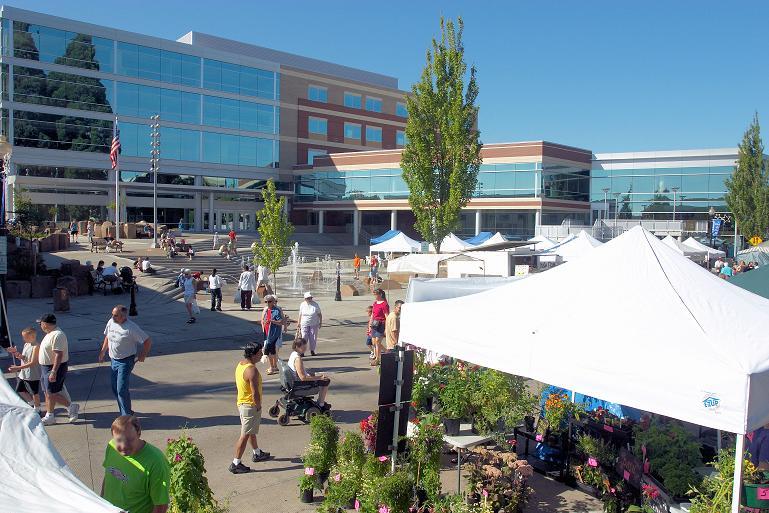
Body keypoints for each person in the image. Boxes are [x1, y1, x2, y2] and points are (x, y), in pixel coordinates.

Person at [102, 415, 170, 513]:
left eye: (129, 440)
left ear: (139, 433)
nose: (123, 446)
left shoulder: (156, 462)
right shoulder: (111, 447)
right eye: (118, 440)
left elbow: (161, 505)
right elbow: (108, 477)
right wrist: (100, 501)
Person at [99, 305, 152, 417]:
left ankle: (126, 416)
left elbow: (147, 341)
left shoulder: (131, 328)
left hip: (126, 361)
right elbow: (107, 337)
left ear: (123, 316)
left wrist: (143, 354)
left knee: (121, 389)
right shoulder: (111, 322)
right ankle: (126, 410)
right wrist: (102, 352)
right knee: (115, 388)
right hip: (113, 359)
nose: (112, 317)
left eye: (116, 315)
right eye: (112, 314)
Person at [230, 341, 272, 474]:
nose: (261, 355)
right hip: (250, 406)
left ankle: (257, 453)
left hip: (242, 403)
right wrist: (258, 406)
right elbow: (255, 393)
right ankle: (235, 463)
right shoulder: (251, 370)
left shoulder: (241, 364)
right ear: (253, 354)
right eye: (259, 352)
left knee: (251, 431)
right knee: (245, 434)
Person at [37, 314, 79, 425]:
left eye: (40, 323)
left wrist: (54, 371)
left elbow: (58, 355)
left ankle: (51, 415)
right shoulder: (50, 334)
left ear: (45, 324)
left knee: (51, 393)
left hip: (54, 367)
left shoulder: (58, 335)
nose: (39, 325)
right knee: (48, 393)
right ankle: (67, 407)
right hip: (46, 367)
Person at [288, 337, 331, 410]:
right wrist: (319, 377)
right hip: (300, 383)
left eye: (306, 347)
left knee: (313, 374)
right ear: (297, 347)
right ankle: (321, 404)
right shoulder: (298, 359)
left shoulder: (293, 354)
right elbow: (303, 377)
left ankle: (320, 401)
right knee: (326, 381)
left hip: (295, 380)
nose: (305, 349)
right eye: (303, 347)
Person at [8, 326, 42, 412]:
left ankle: (37, 409)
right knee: (20, 390)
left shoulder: (36, 347)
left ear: (32, 336)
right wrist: (16, 353)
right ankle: (31, 403)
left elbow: (33, 362)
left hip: (32, 374)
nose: (23, 339)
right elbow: (24, 357)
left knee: (34, 392)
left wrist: (18, 368)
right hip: (24, 374)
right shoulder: (26, 344)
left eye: (25, 337)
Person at [262, 295, 288, 375]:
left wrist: (272, 321)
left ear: (273, 302)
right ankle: (273, 366)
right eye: (266, 302)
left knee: (273, 351)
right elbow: (263, 320)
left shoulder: (277, 310)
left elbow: (281, 321)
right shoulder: (266, 309)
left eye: (269, 301)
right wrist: (263, 326)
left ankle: (273, 367)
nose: (267, 303)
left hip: (275, 334)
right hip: (267, 333)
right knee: (270, 351)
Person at [298, 292, 322, 356]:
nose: (310, 299)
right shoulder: (302, 304)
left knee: (313, 337)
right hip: (304, 323)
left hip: (314, 323)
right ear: (305, 299)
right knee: (304, 337)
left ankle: (312, 350)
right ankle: (302, 351)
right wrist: (298, 322)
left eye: (311, 298)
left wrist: (320, 322)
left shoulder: (315, 304)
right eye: (308, 298)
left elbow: (319, 314)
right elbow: (300, 314)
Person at [369, 289, 389, 366]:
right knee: (374, 342)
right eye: (374, 294)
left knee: (377, 341)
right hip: (374, 324)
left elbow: (387, 316)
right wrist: (370, 325)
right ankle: (386, 351)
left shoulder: (384, 304)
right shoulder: (375, 303)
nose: (375, 296)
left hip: (381, 324)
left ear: (380, 294)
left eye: (376, 294)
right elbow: (372, 315)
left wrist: (386, 328)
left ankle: (378, 358)